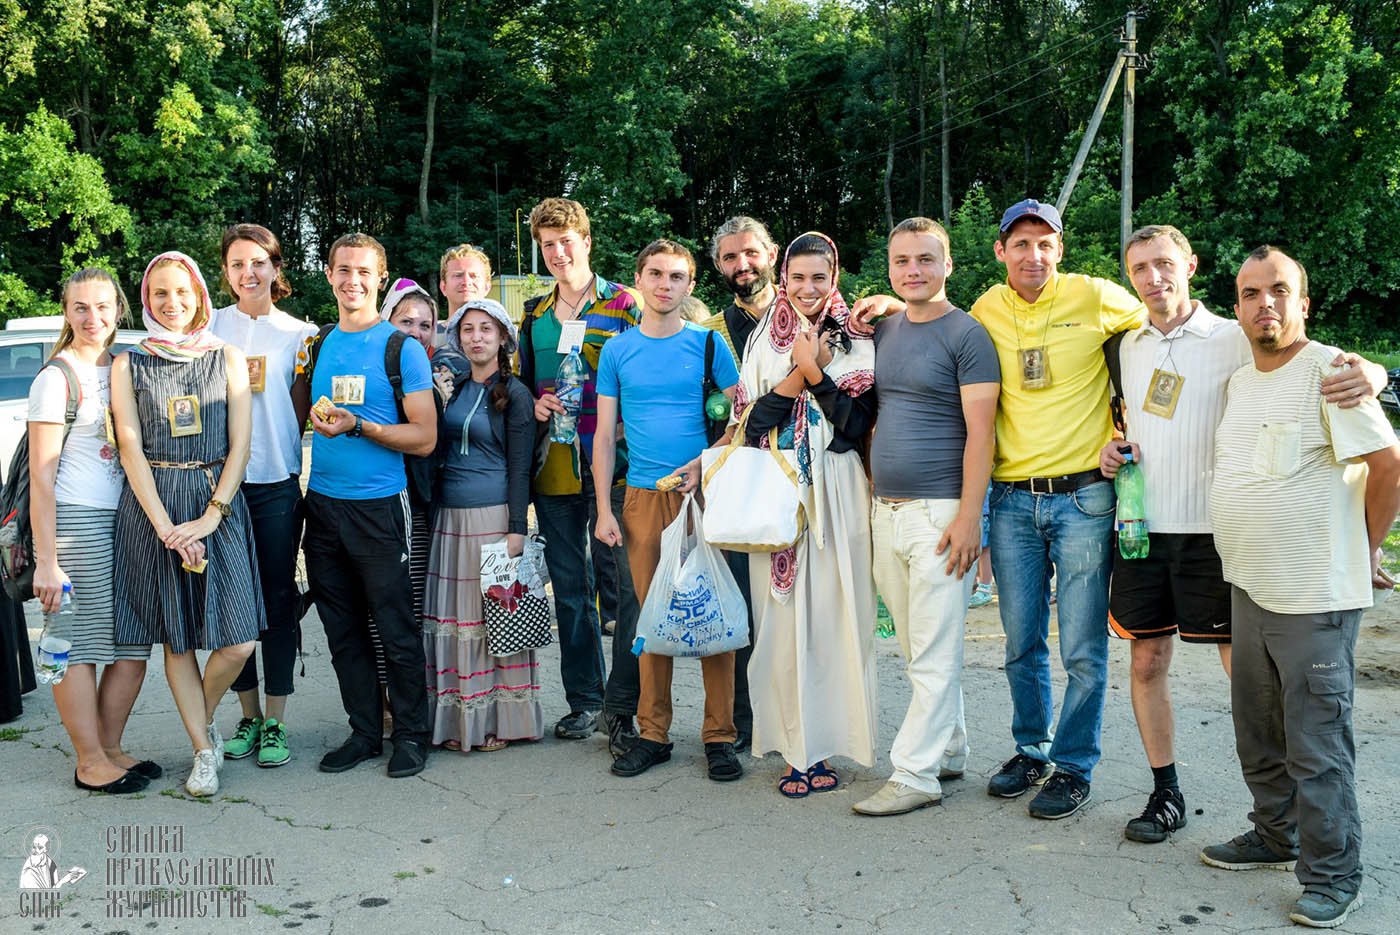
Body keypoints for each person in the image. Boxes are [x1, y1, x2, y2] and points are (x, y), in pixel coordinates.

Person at [1098, 226, 1385, 845]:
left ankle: (1285, 817)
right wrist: (1110, 450)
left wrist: (1375, 371)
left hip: (1219, 536)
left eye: (1164, 263)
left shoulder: (1236, 333)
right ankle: (1166, 793)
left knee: (1254, 683)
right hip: (1142, 528)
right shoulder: (1122, 345)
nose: (1153, 277)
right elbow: (1122, 420)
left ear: (1190, 266)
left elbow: (1314, 358)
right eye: (1140, 267)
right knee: (1146, 662)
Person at [1201, 246, 1400, 929]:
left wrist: (1363, 548)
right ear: (1237, 308)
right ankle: (1275, 834)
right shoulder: (1240, 382)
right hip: (1250, 585)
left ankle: (1334, 875)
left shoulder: (1331, 372)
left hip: (1314, 596)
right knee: (1258, 731)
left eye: (1280, 290)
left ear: (1304, 303)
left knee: (1316, 745)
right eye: (1251, 292)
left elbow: (1387, 463)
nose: (1266, 303)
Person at [852, 218, 999, 816]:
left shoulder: (968, 335)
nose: (913, 270)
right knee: (918, 649)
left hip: (940, 514)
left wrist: (970, 517)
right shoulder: (886, 330)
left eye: (926, 259)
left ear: (948, 265)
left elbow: (982, 434)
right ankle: (951, 749)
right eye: (902, 260)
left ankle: (915, 774)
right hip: (885, 511)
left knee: (934, 651)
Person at [111, 251, 265, 798]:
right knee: (177, 640)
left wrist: (208, 517)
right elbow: (129, 448)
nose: (171, 303)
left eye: (182, 291)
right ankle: (203, 750)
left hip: (216, 504)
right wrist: (166, 528)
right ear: (146, 300)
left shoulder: (227, 357)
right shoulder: (129, 364)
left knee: (240, 640)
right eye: (160, 293)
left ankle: (205, 720)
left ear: (199, 295)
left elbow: (241, 446)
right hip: (154, 507)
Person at [592, 240, 743, 781]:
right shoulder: (617, 351)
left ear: (690, 285)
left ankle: (720, 737)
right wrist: (604, 509)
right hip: (641, 497)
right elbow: (604, 435)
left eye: (676, 276)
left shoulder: (709, 344)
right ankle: (653, 733)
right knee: (651, 617)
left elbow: (741, 418)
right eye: (655, 274)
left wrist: (705, 463)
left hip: (703, 494)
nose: (664, 284)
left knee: (711, 610)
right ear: (638, 280)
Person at [736, 231, 877, 798]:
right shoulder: (762, 339)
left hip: (839, 488)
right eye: (797, 278)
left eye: (819, 277)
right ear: (784, 279)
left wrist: (817, 373)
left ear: (834, 277)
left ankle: (828, 743)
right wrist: (801, 370)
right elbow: (752, 421)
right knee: (782, 625)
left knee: (837, 618)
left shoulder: (858, 335)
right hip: (777, 488)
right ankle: (794, 751)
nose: (808, 288)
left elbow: (857, 422)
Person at [302, 233, 437, 779]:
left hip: (380, 507)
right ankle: (363, 732)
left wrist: (361, 425)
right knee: (342, 631)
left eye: (363, 272)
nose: (352, 281)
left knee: (395, 628)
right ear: (329, 275)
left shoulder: (400, 348)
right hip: (323, 506)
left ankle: (411, 735)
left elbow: (424, 437)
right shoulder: (319, 344)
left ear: (381, 278)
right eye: (343, 270)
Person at [517, 197, 641, 754]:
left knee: (628, 590)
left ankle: (626, 705)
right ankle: (586, 701)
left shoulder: (626, 304)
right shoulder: (534, 314)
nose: (558, 252)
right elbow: (519, 384)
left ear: (586, 242)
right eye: (548, 244)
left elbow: (649, 371)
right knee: (570, 591)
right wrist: (533, 402)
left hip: (618, 468)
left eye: (566, 241)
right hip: (556, 471)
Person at [28, 268, 153, 794]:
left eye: (102, 306)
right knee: (72, 644)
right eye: (80, 307)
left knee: (133, 642)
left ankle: (111, 747)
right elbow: (42, 478)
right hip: (76, 524)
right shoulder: (56, 378)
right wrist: (47, 561)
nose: (92, 317)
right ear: (66, 312)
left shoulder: (126, 366)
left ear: (119, 308)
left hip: (127, 522)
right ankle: (89, 761)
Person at [211, 223, 316, 770]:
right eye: (237, 264)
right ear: (225, 273)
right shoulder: (208, 327)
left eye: (258, 262)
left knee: (276, 601)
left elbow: (302, 409)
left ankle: (276, 719)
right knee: (234, 604)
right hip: (218, 488)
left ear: (277, 268)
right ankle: (247, 715)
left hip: (275, 481)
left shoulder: (301, 334)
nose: (248, 273)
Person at [424, 297, 544, 751]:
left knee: (493, 621)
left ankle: (497, 722)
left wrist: (516, 528)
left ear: (502, 338)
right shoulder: (454, 388)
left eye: (486, 329)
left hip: (491, 518)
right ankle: (458, 721)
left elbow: (520, 467)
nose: (477, 337)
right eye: (468, 330)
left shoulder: (515, 394)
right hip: (449, 518)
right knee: (457, 620)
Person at [702, 215, 782, 752]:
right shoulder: (710, 332)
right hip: (736, 483)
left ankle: (793, 717)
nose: (742, 264)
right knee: (740, 605)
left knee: (792, 605)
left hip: (798, 478)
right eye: (730, 257)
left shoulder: (804, 312)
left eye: (751, 253)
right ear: (718, 266)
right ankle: (743, 722)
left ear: (771, 255)